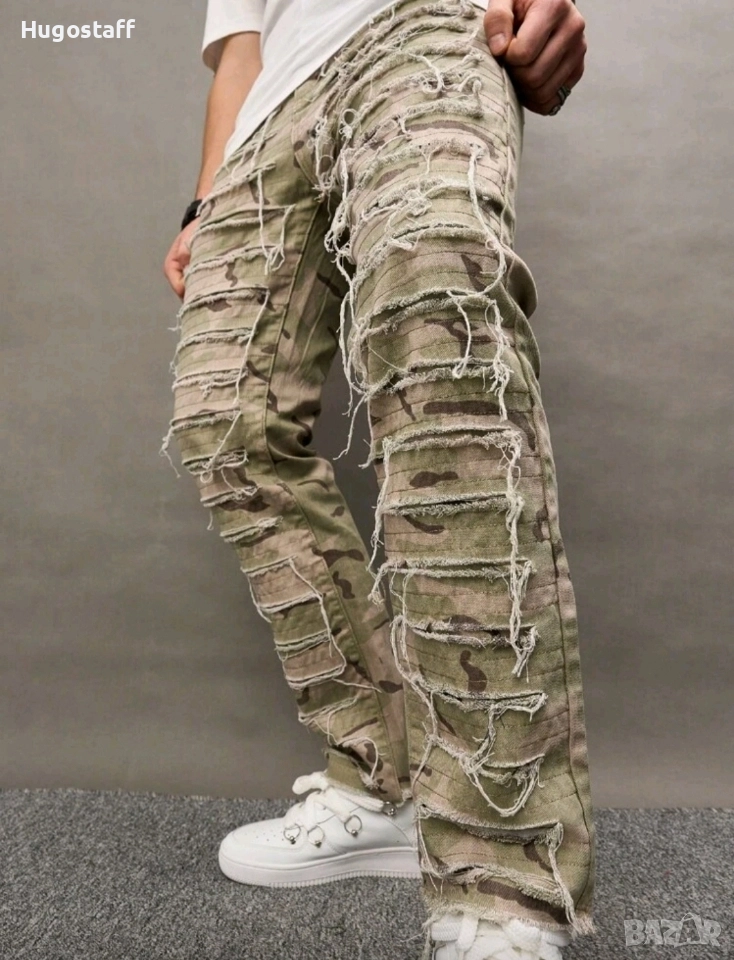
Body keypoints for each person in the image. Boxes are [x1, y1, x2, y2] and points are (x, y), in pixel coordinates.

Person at [161, 1, 594, 957]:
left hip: (423, 26)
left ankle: (504, 878)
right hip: (269, 118)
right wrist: (205, 200)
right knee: (224, 424)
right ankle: (381, 780)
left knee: (442, 338)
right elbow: (239, 43)